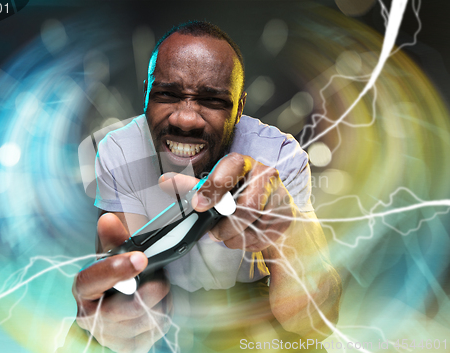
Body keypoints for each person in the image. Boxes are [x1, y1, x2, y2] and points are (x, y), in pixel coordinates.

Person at [63, 21, 342, 353]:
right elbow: (123, 282)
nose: (185, 119)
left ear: (239, 109)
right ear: (147, 96)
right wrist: (115, 321)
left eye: (212, 101)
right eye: (167, 94)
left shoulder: (278, 154)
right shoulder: (119, 150)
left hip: (254, 307)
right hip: (167, 312)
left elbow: (317, 322)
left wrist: (285, 233)